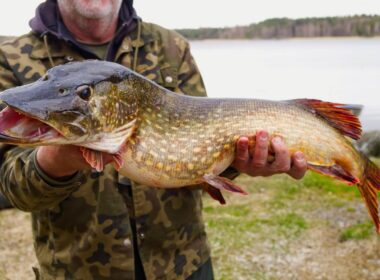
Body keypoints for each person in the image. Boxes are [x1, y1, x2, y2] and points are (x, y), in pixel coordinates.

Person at [0, 0, 307, 279]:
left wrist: (243, 162)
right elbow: (9, 187)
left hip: (182, 264)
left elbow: (208, 146)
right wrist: (58, 159)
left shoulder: (169, 46)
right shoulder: (11, 58)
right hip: (79, 271)